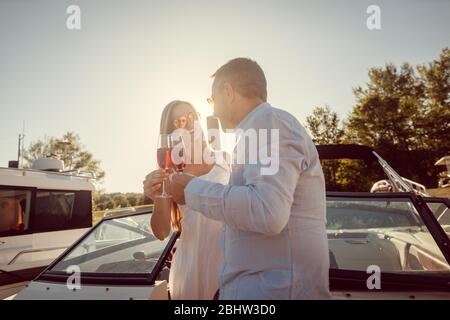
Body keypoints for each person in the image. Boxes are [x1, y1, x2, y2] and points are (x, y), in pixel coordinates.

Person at [167, 58, 331, 299]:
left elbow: (267, 211)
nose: (212, 110)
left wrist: (191, 190)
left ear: (228, 91)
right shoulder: (256, 132)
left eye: (212, 100)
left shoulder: (269, 124)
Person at [143, 100, 229, 300]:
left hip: (228, 257)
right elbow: (161, 232)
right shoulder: (171, 172)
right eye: (178, 121)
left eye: (192, 116)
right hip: (191, 264)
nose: (187, 123)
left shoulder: (224, 158)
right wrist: (157, 197)